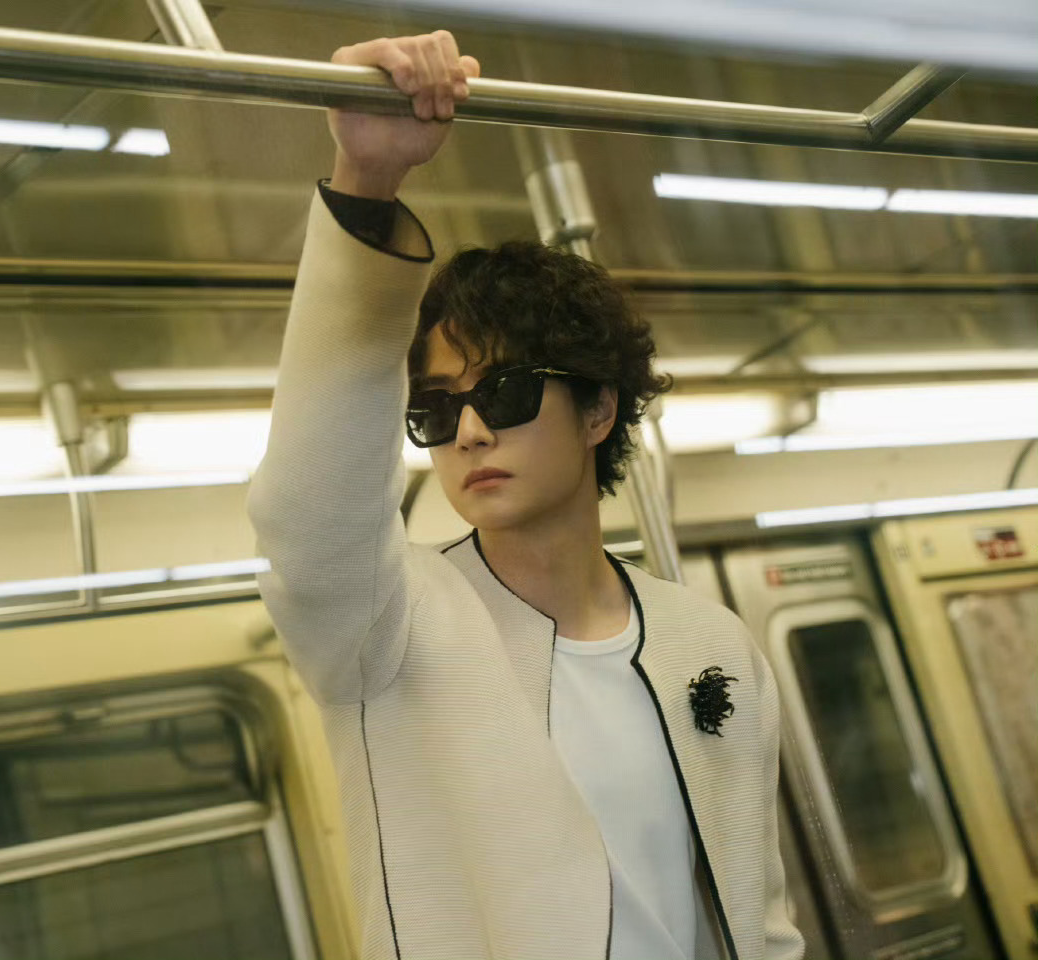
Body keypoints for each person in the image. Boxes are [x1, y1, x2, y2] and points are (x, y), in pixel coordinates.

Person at [247, 30, 804, 960]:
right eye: (436, 409)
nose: (469, 432)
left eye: (502, 392)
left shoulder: (712, 645)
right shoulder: (388, 630)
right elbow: (305, 519)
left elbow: (759, 918)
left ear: (597, 410)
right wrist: (367, 180)